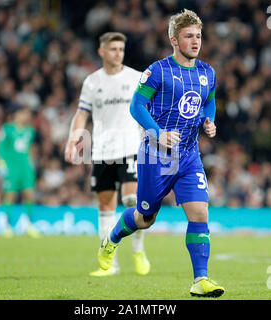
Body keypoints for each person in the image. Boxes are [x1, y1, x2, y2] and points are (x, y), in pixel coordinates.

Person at [96, 10, 225, 297]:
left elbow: (209, 102)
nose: (195, 41)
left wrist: (209, 120)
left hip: (189, 155)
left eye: (199, 36)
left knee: (200, 212)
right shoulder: (157, 71)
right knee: (145, 217)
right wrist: (158, 133)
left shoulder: (208, 73)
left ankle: (200, 280)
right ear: (174, 40)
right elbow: (136, 107)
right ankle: (113, 237)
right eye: (189, 36)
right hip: (155, 155)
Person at [65, 32, 151, 277]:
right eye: (113, 49)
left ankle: (138, 249)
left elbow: (148, 109)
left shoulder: (136, 78)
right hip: (102, 150)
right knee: (105, 205)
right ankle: (110, 263)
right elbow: (82, 113)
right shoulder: (92, 82)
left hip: (131, 147)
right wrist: (74, 138)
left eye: (121, 49)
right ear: (101, 52)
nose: (118, 53)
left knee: (133, 201)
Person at [0, 105, 41, 238]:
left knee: (29, 194)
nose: (26, 116)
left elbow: (31, 148)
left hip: (26, 168)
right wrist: (0, 162)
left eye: (27, 114)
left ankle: (29, 224)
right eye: (24, 113)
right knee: (10, 195)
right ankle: (7, 225)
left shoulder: (30, 131)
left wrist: (32, 162)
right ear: (17, 114)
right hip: (12, 168)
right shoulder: (7, 129)